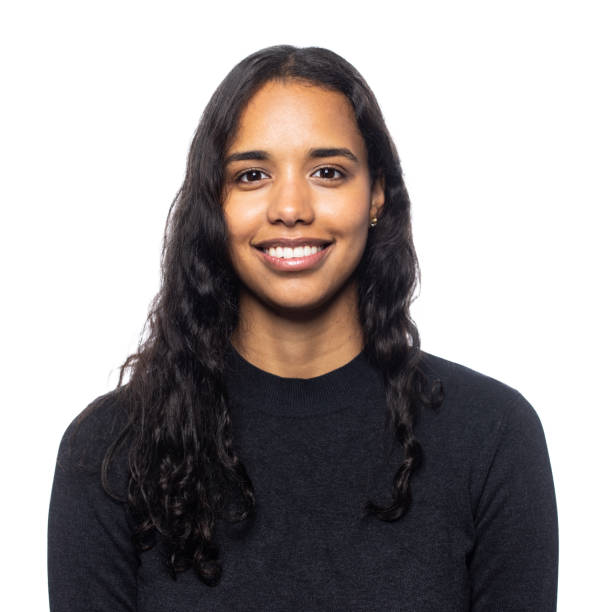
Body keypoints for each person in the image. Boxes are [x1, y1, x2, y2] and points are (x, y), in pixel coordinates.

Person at [47, 45, 559, 611]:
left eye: (328, 172)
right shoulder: (108, 452)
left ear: (377, 195)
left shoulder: (490, 436)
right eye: (252, 175)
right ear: (213, 202)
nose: (290, 207)